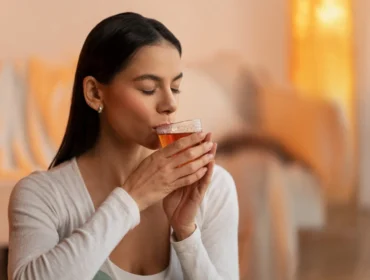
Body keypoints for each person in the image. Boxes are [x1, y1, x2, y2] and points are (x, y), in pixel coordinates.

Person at [7, 12, 239, 280]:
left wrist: (186, 232)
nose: (170, 104)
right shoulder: (42, 196)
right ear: (94, 93)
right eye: (149, 89)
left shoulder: (213, 188)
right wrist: (131, 198)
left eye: (174, 88)